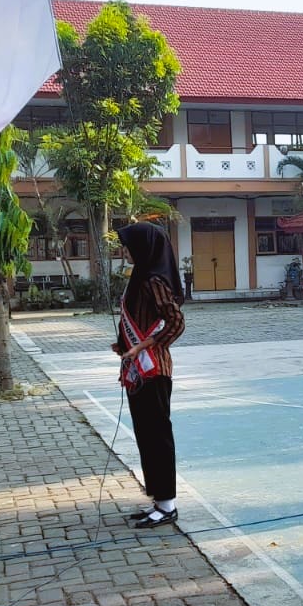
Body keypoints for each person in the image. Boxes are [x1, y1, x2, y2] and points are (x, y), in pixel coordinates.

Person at [114, 222, 187, 529]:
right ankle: (157, 499)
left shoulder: (154, 281)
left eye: (128, 245)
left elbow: (175, 322)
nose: (124, 250)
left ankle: (168, 504)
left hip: (154, 369)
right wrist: (124, 344)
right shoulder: (139, 278)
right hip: (137, 369)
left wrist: (143, 345)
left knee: (157, 435)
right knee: (145, 435)